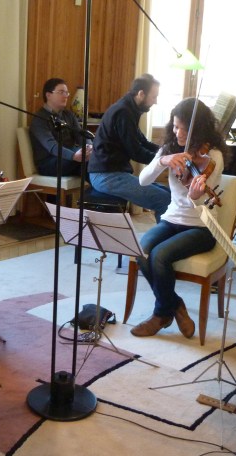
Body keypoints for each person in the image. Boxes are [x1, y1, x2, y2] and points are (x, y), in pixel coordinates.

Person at [130, 97, 225, 338]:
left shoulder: (213, 156)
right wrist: (163, 160)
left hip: (201, 227)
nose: (178, 132)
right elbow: (143, 180)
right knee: (141, 251)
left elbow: (203, 204)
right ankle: (175, 305)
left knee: (160, 256)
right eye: (175, 126)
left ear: (198, 128)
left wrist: (195, 196)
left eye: (183, 128)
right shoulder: (170, 149)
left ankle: (161, 314)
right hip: (171, 219)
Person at [88, 73, 171, 222]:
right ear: (141, 94)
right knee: (165, 199)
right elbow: (136, 152)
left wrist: (166, 152)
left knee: (169, 194)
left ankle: (166, 234)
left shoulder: (129, 108)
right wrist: (165, 160)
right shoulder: (123, 112)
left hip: (112, 173)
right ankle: (164, 236)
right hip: (106, 176)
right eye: (154, 97)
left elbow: (142, 141)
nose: (155, 102)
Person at [29, 77, 92, 176]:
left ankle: (103, 184)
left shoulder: (68, 114)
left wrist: (89, 147)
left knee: (92, 163)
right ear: (48, 95)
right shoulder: (39, 118)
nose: (65, 96)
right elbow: (52, 146)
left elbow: (80, 135)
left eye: (66, 93)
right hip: (49, 163)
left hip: (69, 157)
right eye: (61, 92)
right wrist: (74, 155)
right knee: (88, 162)